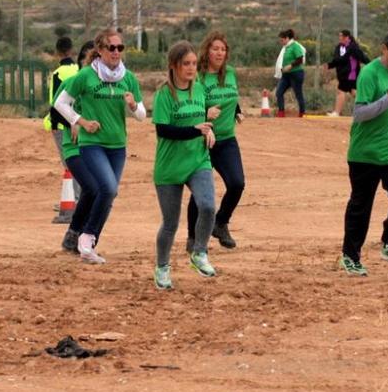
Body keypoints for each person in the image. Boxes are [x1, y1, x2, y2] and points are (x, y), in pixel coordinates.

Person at [54, 28, 146, 264]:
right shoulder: (85, 76)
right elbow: (60, 103)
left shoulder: (128, 78)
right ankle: (85, 237)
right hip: (91, 143)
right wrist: (80, 121)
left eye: (120, 48)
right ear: (100, 50)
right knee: (105, 188)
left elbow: (142, 115)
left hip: (117, 145)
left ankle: (86, 241)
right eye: (112, 48)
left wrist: (134, 106)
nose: (117, 52)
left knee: (106, 193)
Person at [339, 30, 388, 276]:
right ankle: (350, 256)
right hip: (366, 153)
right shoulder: (369, 74)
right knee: (361, 206)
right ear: (384, 50)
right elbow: (360, 113)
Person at [152, 41, 217, 289]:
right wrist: (195, 130)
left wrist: (209, 133)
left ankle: (199, 252)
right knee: (170, 223)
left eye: (193, 64)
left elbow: (202, 122)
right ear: (174, 66)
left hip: (198, 160)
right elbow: (163, 130)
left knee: (208, 206)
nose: (191, 69)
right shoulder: (164, 94)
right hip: (169, 166)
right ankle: (162, 267)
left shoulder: (199, 90)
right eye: (185, 64)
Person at [186, 31, 245, 250]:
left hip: (226, 139)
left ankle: (220, 223)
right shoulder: (199, 77)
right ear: (207, 51)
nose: (220, 53)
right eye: (215, 49)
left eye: (223, 49)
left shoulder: (229, 73)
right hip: (202, 140)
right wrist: (204, 112)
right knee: (200, 191)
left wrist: (236, 110)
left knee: (237, 183)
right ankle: (192, 237)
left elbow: (230, 95)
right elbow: (189, 105)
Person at [53, 73, 99, 254]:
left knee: (101, 193)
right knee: (92, 188)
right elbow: (55, 113)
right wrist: (74, 121)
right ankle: (75, 235)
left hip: (98, 146)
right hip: (74, 147)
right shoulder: (72, 82)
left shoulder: (106, 86)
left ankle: (82, 238)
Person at [45, 37, 82, 208]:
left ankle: (73, 199)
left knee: (70, 162)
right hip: (82, 121)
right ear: (72, 50)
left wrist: (54, 125)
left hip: (63, 124)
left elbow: (56, 102)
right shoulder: (79, 70)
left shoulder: (58, 74)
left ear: (57, 53)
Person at [326, 29, 370, 117]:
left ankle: (337, 112)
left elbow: (362, 57)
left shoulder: (353, 47)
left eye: (341, 36)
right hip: (342, 73)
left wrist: (371, 65)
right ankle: (369, 109)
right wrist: (330, 65)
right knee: (354, 92)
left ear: (347, 37)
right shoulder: (339, 47)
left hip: (350, 74)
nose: (339, 38)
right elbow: (337, 59)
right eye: (339, 36)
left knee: (340, 91)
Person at [274, 29, 307, 118]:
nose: (281, 42)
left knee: (298, 94)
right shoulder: (285, 48)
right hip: (286, 75)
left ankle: (302, 113)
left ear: (287, 38)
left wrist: (290, 66)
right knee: (279, 92)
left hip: (296, 73)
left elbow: (300, 59)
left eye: (282, 40)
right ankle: (281, 113)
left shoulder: (295, 46)